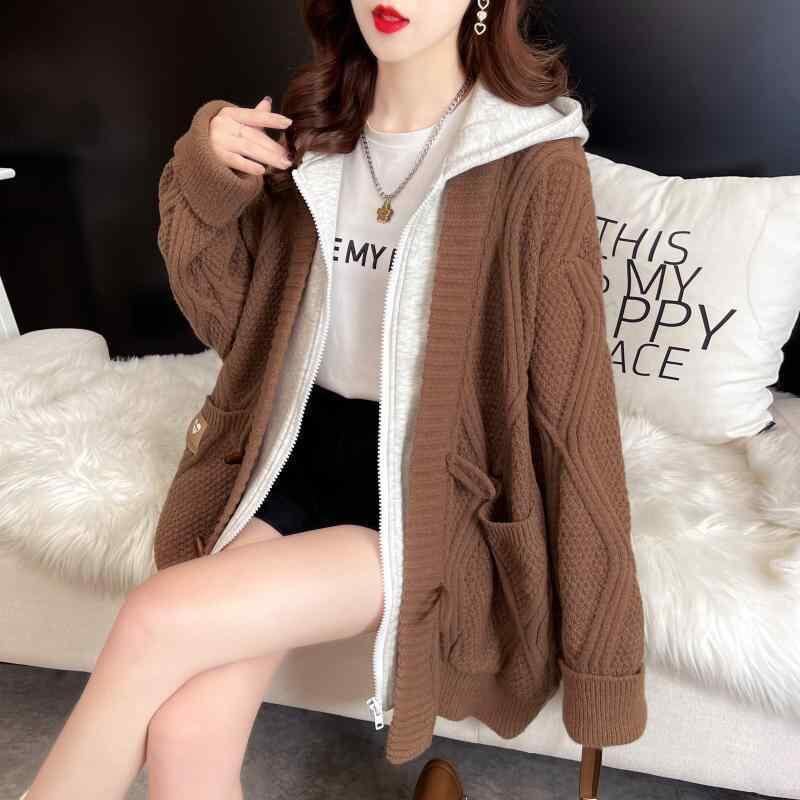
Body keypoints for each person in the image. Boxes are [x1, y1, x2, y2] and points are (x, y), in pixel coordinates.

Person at [22, 1, 647, 797]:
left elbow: (575, 417)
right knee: (185, 729)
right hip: (298, 458)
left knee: (154, 617)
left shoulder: (531, 163)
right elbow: (237, 329)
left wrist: (603, 662)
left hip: (429, 500)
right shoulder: (315, 134)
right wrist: (208, 172)